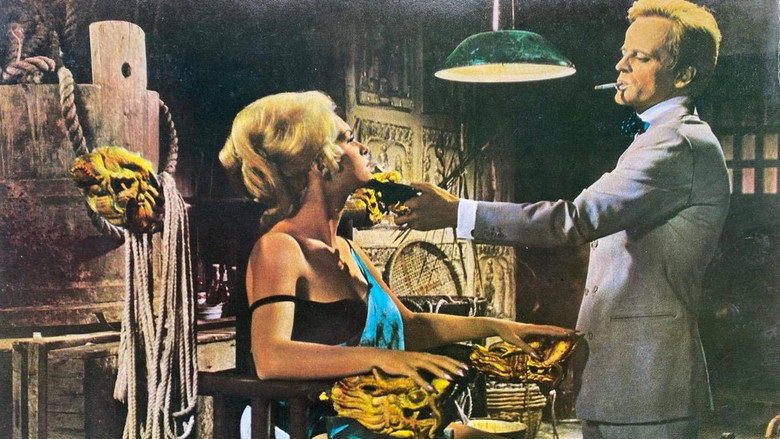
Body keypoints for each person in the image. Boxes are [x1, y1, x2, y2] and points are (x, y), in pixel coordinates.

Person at [395, 1, 729, 438]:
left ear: (683, 76)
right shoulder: (660, 137)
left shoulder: (677, 143)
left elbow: (573, 220)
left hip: (649, 383)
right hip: (624, 382)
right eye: (624, 53)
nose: (621, 65)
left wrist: (458, 211)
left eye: (641, 57)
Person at [218, 91, 573, 439]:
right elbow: (271, 357)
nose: (363, 148)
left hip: (385, 424)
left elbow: (409, 326)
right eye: (348, 139)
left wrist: (498, 326)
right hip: (326, 428)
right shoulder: (280, 247)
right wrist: (385, 359)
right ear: (317, 162)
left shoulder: (348, 249)